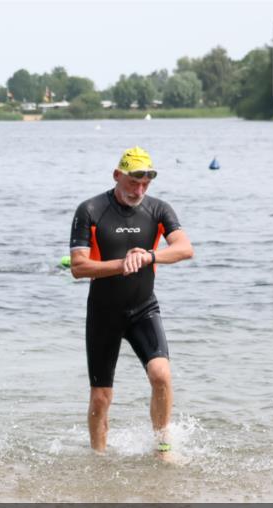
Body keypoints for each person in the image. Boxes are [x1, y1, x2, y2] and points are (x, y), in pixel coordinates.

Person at [69, 147, 194, 460]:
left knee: (161, 374)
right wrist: (120, 264)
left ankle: (163, 447)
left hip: (143, 308)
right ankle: (98, 458)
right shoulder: (90, 210)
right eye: (133, 183)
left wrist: (149, 256)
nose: (139, 190)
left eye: (145, 184)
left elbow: (184, 248)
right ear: (117, 176)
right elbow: (78, 267)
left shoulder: (158, 209)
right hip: (103, 313)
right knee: (101, 397)